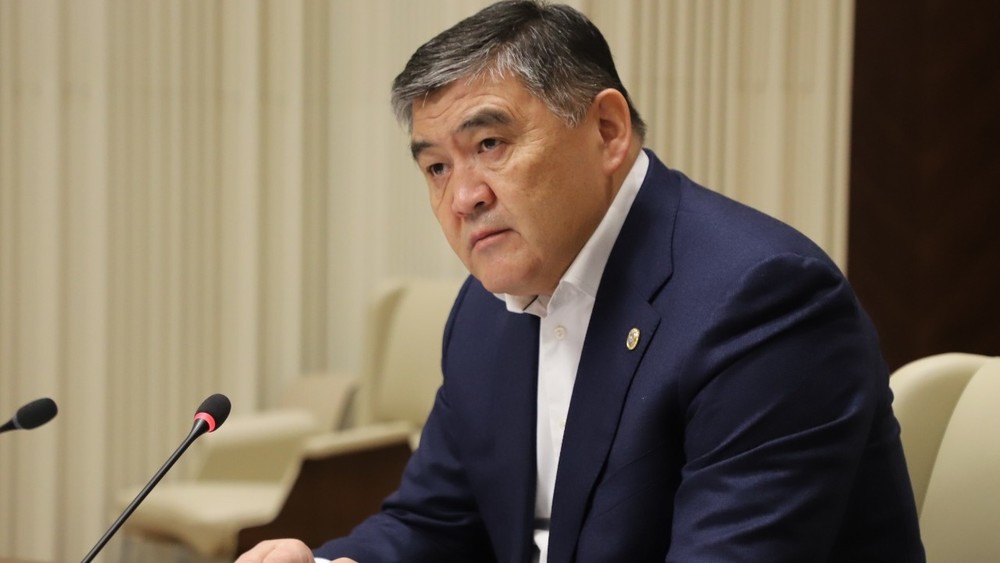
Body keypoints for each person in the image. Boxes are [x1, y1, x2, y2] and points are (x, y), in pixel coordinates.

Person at [236, 1, 924, 561]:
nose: (463, 197)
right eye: (437, 167)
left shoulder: (761, 301)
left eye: (490, 144)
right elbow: (436, 521)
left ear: (607, 129)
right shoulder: (485, 311)